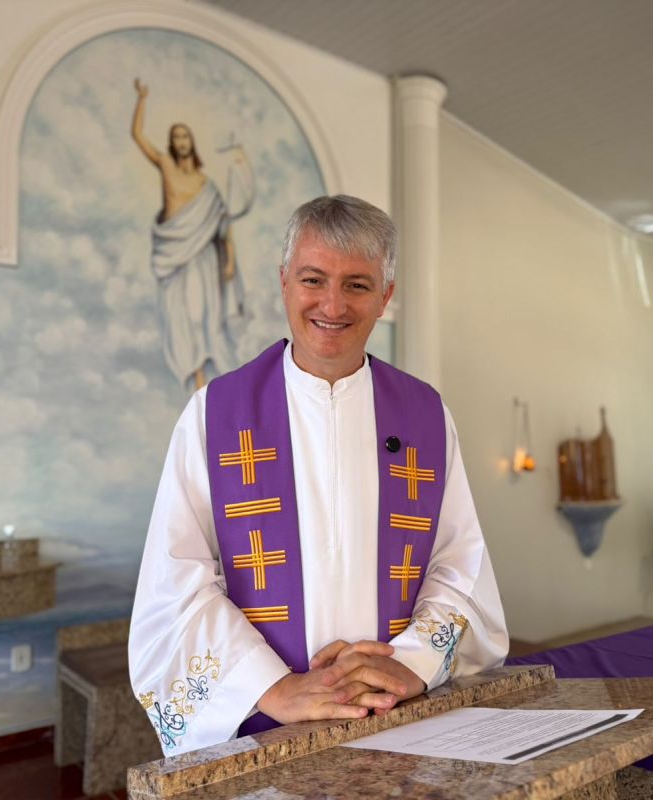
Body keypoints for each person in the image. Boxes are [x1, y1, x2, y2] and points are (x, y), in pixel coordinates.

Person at [129, 195, 508, 755]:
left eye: (357, 284)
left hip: (394, 712)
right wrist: (273, 686)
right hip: (266, 722)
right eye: (313, 279)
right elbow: (176, 579)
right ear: (284, 282)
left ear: (386, 297)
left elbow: (458, 564)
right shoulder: (214, 414)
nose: (332, 303)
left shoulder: (426, 415)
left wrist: (413, 663)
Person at [131, 78, 253, 391]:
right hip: (174, 255)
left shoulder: (205, 183)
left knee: (205, 316)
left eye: (185, 136)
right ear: (172, 143)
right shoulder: (165, 165)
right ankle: (195, 379)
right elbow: (137, 136)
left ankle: (210, 382)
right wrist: (142, 99)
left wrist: (230, 259)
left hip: (204, 257)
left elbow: (223, 224)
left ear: (192, 142)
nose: (181, 141)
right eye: (176, 136)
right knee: (180, 315)